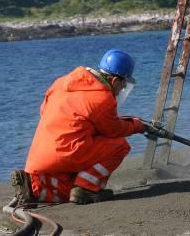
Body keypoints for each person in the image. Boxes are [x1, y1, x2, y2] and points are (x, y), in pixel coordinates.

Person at [10, 49, 145, 205]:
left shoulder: (61, 83)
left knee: (66, 191)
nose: (122, 89)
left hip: (39, 156)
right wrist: (137, 126)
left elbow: (44, 111)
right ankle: (87, 189)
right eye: (123, 84)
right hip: (66, 153)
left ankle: (32, 187)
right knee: (120, 146)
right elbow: (114, 130)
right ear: (115, 80)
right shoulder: (102, 98)